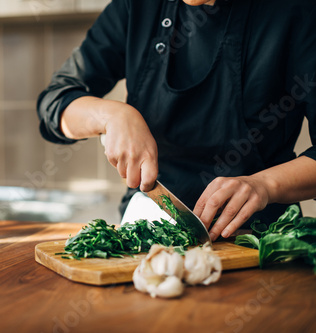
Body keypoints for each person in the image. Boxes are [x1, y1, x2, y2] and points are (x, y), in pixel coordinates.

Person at [36, 0, 316, 241]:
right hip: (146, 237)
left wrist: (265, 185)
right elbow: (56, 101)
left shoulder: (299, 10)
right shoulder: (137, 6)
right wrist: (112, 115)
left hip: (262, 243)